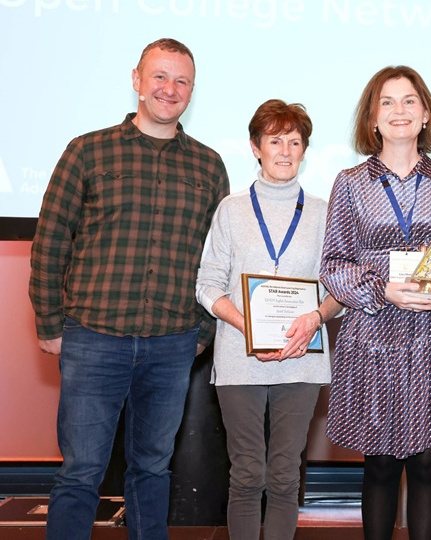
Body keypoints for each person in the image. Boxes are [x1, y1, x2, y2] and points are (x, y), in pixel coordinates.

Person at [28, 38, 229, 540]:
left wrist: (200, 334)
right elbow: (51, 241)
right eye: (160, 77)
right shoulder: (86, 151)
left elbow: (218, 261)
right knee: (81, 473)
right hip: (93, 339)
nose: (170, 89)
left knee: (152, 470)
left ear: (192, 91)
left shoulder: (208, 166)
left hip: (171, 343)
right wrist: (51, 325)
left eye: (182, 81)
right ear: (137, 80)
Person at [319, 65, 431, 540]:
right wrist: (380, 289)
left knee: (430, 465)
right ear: (372, 118)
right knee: (381, 464)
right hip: (374, 334)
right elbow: (334, 265)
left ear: (426, 114)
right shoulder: (350, 183)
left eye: (410, 101)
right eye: (387, 102)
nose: (399, 111)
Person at [196, 99, 342, 540]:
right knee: (246, 474)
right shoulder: (231, 209)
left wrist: (316, 317)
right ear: (255, 147)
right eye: (274, 140)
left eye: (294, 141)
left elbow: (338, 288)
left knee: (283, 476)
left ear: (304, 149)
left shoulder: (322, 211)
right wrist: (246, 324)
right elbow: (207, 285)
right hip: (241, 358)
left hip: (302, 358)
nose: (284, 150)